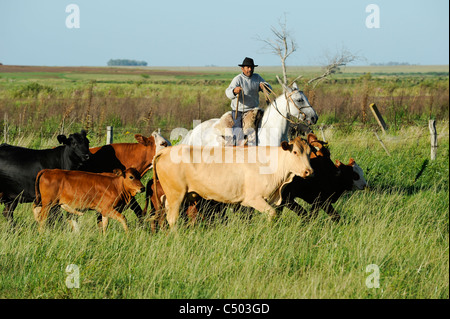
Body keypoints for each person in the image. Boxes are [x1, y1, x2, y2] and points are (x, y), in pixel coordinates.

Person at [225, 57, 272, 144]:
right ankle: (235, 147)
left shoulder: (257, 77)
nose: (250, 69)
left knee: (266, 123)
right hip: (239, 111)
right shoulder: (238, 79)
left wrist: (264, 86)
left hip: (253, 110)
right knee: (238, 132)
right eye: (247, 67)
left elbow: (269, 89)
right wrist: (234, 91)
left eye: (251, 67)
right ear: (242, 68)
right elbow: (228, 92)